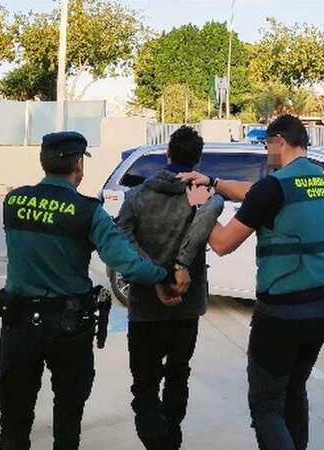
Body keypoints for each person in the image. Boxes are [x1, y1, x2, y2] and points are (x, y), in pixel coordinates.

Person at [0, 131, 184, 450]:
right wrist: (163, 275)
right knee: (68, 419)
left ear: (44, 162)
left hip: (19, 325)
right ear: (78, 165)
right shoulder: (87, 211)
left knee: (14, 421)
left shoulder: (13, 202)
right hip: (68, 330)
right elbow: (127, 263)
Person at [178, 115, 324, 450]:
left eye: (267, 145)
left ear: (279, 141)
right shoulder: (322, 181)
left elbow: (222, 243)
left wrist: (200, 207)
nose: (267, 152)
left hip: (282, 311)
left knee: (266, 404)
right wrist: (213, 181)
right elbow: (255, 193)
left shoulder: (273, 187)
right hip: (323, 307)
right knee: (295, 389)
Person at [116, 126, 224, 450]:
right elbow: (213, 208)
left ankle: (155, 441)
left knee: (144, 386)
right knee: (179, 375)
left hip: (145, 311)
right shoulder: (200, 196)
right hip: (186, 308)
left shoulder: (136, 197)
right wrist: (178, 267)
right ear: (198, 160)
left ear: (168, 156)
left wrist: (155, 275)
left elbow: (122, 240)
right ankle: (170, 440)